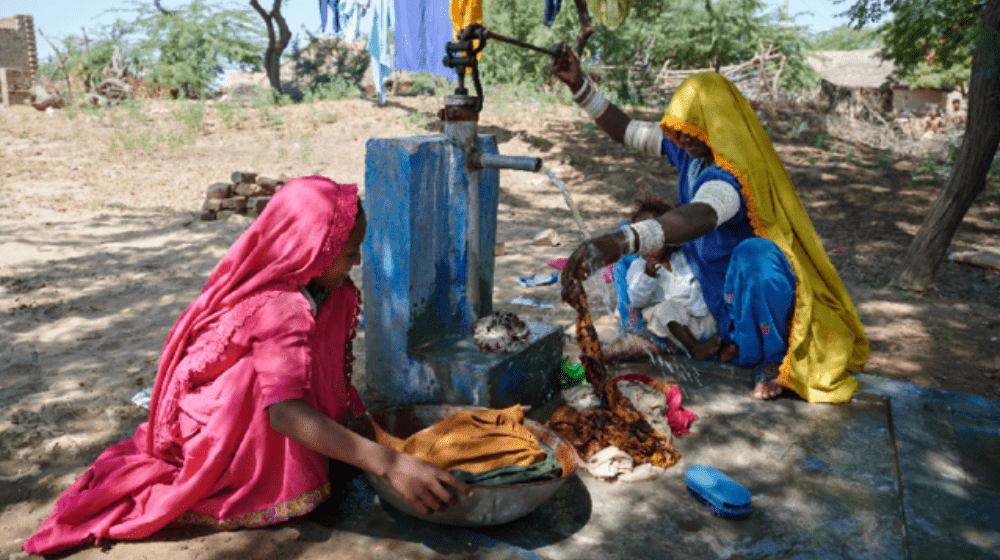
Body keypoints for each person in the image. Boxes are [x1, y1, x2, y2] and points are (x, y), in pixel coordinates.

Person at [23, 177, 473, 555]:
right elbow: (284, 412)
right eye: (349, 249)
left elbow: (330, 372)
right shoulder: (280, 307)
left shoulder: (331, 293)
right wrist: (389, 462)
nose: (356, 259)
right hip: (232, 428)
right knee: (264, 390)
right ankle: (267, 478)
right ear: (312, 248)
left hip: (271, 406)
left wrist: (362, 431)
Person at [550, 44, 869, 403]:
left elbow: (703, 214)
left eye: (694, 129)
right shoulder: (687, 150)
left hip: (744, 290)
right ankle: (653, 336)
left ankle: (773, 361)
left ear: (718, 127)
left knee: (756, 256)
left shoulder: (734, 171)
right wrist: (579, 85)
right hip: (708, 285)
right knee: (635, 257)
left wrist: (621, 239)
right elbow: (625, 130)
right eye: (680, 128)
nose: (684, 137)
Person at [609, 193, 733, 362]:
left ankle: (722, 346)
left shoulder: (685, 257)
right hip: (673, 329)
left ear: (670, 237)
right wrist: (648, 276)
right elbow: (635, 300)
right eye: (642, 241)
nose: (648, 246)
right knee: (666, 309)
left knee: (727, 308)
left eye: (653, 238)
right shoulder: (639, 267)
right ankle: (694, 348)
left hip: (702, 319)